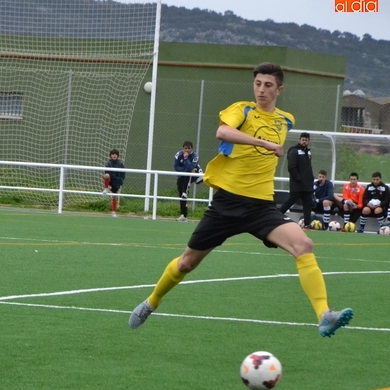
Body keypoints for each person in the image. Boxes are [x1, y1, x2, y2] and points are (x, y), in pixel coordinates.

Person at [129, 62, 352, 338]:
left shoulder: (286, 120)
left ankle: (324, 315)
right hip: (227, 204)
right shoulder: (242, 110)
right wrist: (264, 144)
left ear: (279, 90)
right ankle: (151, 302)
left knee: (304, 244)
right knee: (186, 263)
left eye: (268, 85)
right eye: (257, 84)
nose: (261, 90)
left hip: (261, 207)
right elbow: (223, 132)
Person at [278, 132, 314, 228]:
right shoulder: (294, 151)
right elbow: (291, 167)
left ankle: (307, 223)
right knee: (291, 201)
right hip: (297, 184)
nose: (304, 142)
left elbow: (309, 168)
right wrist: (299, 178)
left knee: (308, 204)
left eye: (306, 140)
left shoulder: (308, 152)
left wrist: (310, 179)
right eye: (303, 140)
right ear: (300, 140)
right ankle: (277, 216)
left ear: (309, 142)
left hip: (307, 185)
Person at [173, 141, 202, 222]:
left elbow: (191, 167)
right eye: (185, 148)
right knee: (181, 195)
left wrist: (186, 159)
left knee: (187, 177)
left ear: (192, 149)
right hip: (183, 176)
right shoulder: (178, 155)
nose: (187, 150)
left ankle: (185, 191)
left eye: (189, 148)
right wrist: (185, 170)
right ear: (182, 148)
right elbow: (176, 167)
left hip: (195, 175)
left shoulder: (195, 156)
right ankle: (183, 215)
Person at [102, 149, 125, 217]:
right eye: (112, 154)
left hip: (116, 181)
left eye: (115, 154)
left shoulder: (120, 164)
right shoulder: (108, 163)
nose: (114, 155)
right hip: (110, 180)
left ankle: (113, 212)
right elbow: (106, 172)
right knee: (106, 175)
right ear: (110, 155)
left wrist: (120, 181)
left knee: (114, 196)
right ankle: (106, 188)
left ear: (118, 156)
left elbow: (123, 174)